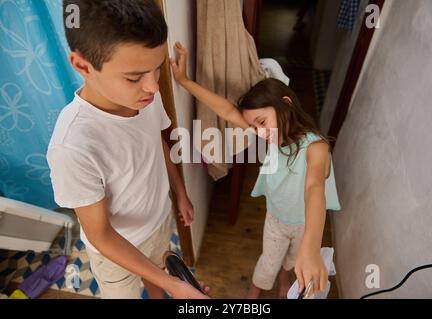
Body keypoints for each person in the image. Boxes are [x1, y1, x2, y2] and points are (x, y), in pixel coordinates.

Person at [47, 1, 208, 299]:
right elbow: (101, 235)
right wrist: (176, 285)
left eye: (157, 69)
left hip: (159, 222)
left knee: (159, 281)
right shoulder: (72, 147)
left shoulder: (144, 97)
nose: (153, 86)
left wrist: (180, 193)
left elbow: (155, 143)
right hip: (115, 251)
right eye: (134, 77)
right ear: (82, 66)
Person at [170, 42, 340, 299]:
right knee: (269, 260)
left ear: (286, 104)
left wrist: (312, 246)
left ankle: (284, 281)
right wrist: (183, 81)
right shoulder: (271, 134)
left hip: (305, 224)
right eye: (254, 126)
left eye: (261, 122)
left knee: (291, 262)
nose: (260, 133)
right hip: (275, 218)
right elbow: (226, 110)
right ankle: (256, 288)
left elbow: (315, 188)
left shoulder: (316, 148)